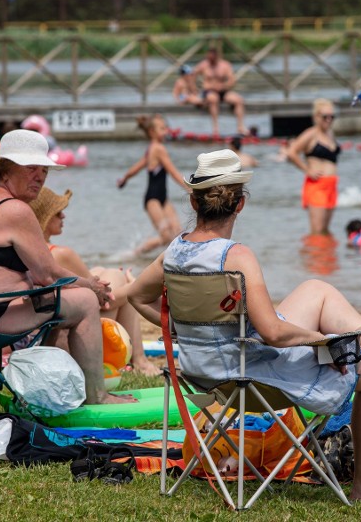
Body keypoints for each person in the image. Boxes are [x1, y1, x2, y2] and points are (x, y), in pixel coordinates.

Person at [127, 149, 361, 505]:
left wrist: (186, 331)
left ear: (193, 201)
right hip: (246, 378)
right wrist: (324, 340)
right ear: (240, 204)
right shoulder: (236, 256)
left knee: (316, 289)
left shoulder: (174, 252)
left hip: (201, 373)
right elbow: (273, 333)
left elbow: (135, 296)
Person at [0, 129, 134, 405]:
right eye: (30, 168)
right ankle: (97, 395)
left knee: (60, 303)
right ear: (4, 170)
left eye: (44, 170)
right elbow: (47, 274)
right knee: (84, 301)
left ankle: (45, 388)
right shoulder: (16, 210)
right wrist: (92, 285)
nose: (40, 176)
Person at [29, 186, 160, 376]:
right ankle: (140, 361)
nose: (63, 216)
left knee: (101, 271)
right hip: (74, 340)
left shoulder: (32, 251)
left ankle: (139, 360)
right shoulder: (60, 254)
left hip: (44, 333)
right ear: (44, 217)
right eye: (58, 213)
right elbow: (103, 300)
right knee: (119, 279)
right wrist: (134, 287)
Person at [117, 114, 190, 255]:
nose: (166, 131)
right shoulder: (158, 149)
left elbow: (136, 168)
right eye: (162, 128)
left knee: (177, 235)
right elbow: (173, 172)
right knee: (166, 237)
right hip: (153, 199)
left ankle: (171, 262)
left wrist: (124, 179)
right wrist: (191, 189)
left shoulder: (151, 149)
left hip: (163, 199)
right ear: (152, 132)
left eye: (166, 128)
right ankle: (136, 253)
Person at [287, 99, 341, 235]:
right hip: (317, 185)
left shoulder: (330, 134)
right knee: (317, 231)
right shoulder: (311, 134)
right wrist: (307, 170)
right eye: (325, 117)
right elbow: (291, 153)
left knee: (325, 230)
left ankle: (328, 256)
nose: (329, 120)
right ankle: (314, 255)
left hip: (331, 185)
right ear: (316, 116)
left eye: (332, 117)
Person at [193, 48, 247, 136]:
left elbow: (232, 80)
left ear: (217, 57)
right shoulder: (204, 64)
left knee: (238, 100)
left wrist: (224, 86)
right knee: (214, 99)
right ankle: (216, 128)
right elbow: (192, 75)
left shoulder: (225, 65)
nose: (210, 61)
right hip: (209, 91)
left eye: (212, 59)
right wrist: (194, 89)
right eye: (209, 58)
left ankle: (240, 127)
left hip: (223, 91)